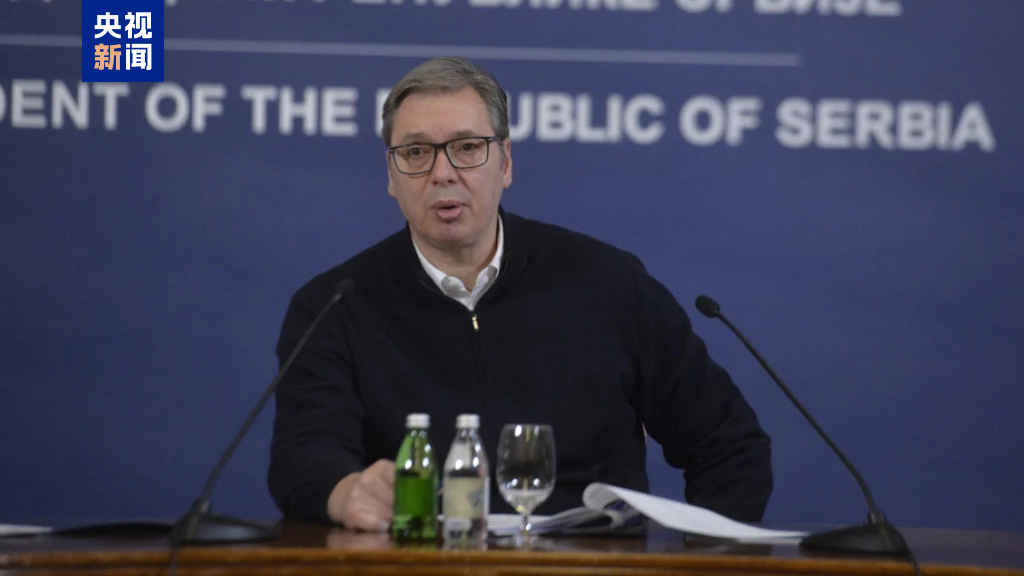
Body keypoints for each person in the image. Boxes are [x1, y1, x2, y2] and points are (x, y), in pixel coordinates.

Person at [268, 56, 772, 532]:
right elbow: (303, 457)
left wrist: (707, 556)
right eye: (416, 153)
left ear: (505, 162)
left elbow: (728, 443)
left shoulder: (608, 284)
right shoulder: (335, 306)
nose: (443, 173)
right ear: (391, 176)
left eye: (468, 147)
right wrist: (346, 493)